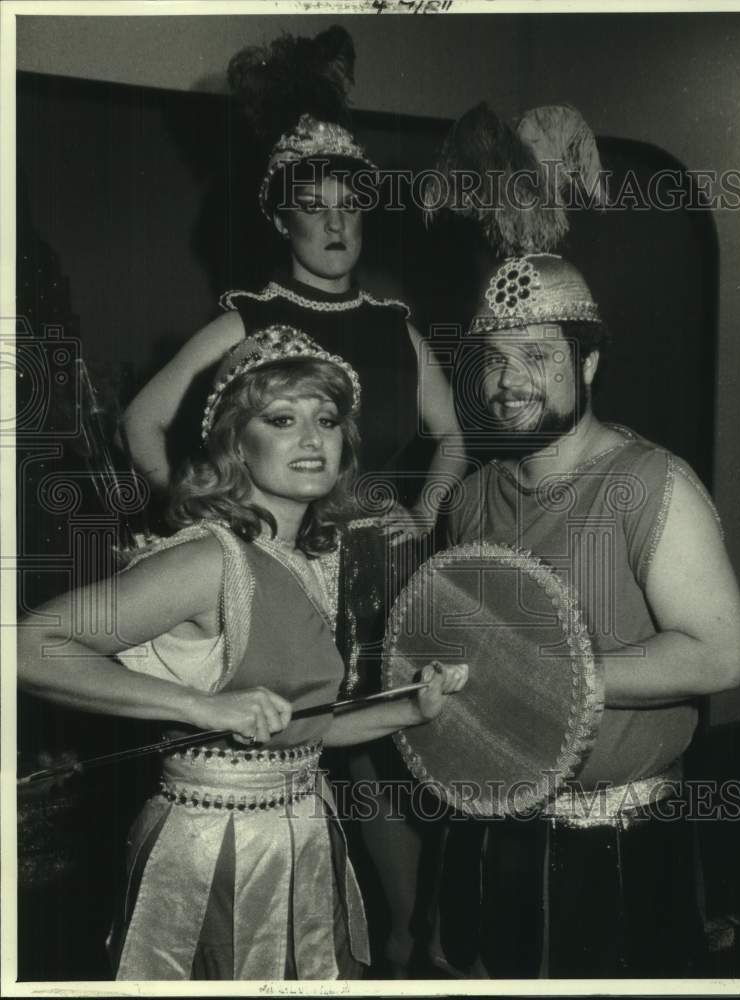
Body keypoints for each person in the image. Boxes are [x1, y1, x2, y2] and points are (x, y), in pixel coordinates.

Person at [120, 26, 465, 976]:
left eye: (349, 204)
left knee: (397, 753)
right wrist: (208, 515)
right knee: (306, 757)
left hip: (388, 569)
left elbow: (455, 438)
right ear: (281, 219)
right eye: (311, 208)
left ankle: (405, 941)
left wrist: (426, 511)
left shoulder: (395, 327)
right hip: (280, 564)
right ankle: (294, 940)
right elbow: (143, 423)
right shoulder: (248, 314)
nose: (334, 223)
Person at [17, 325, 468, 981]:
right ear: (235, 442)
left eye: (328, 419)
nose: (313, 439)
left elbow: (301, 726)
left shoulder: (318, 556)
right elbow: (29, 646)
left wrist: (410, 709)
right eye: (282, 420)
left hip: (303, 835)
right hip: (212, 855)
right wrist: (201, 705)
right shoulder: (208, 561)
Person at [428, 253, 740, 978]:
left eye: (537, 356)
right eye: (494, 360)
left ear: (590, 362)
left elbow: (717, 656)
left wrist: (542, 673)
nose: (508, 383)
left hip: (617, 847)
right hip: (485, 835)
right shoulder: (468, 500)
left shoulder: (649, 483)